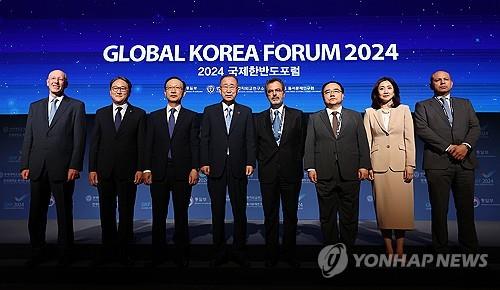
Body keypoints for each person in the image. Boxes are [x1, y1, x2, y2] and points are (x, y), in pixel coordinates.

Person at [20, 69, 86, 266]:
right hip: (37, 166)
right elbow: (28, 138)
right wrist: (25, 164)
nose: (56, 82)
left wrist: (75, 165)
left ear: (66, 83)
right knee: (36, 212)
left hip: (63, 168)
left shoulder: (76, 106)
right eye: (53, 79)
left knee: (64, 213)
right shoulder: (35, 106)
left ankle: (65, 252)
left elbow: (79, 140)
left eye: (61, 79)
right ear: (46, 82)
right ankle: (37, 250)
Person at [414, 70, 480, 253]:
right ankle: (440, 247)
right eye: (437, 80)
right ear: (431, 85)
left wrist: (465, 146)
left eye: (446, 79)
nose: (442, 82)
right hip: (437, 164)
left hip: (465, 163)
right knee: (439, 209)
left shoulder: (465, 103)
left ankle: (469, 247)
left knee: (466, 209)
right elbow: (422, 129)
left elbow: (475, 127)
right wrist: (450, 147)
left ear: (452, 83)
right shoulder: (422, 106)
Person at [304, 81, 371, 250]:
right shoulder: (314, 117)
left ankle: (348, 247)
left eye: (336, 91)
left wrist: (364, 165)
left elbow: (362, 142)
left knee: (349, 214)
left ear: (343, 95)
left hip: (350, 171)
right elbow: (309, 143)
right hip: (324, 172)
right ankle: (331, 247)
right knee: (327, 214)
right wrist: (310, 167)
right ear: (323, 97)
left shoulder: (355, 116)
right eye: (327, 92)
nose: (332, 94)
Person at [88, 76, 146, 265]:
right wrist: (92, 169)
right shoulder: (101, 113)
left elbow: (141, 144)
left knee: (126, 211)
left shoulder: (139, 114)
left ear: (129, 91)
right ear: (109, 91)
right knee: (106, 211)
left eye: (123, 88)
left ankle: (125, 249)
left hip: (129, 172)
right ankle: (108, 249)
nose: (119, 91)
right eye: (115, 88)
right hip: (104, 170)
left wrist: (140, 168)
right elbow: (94, 144)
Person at [143, 76, 200, 267]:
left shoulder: (191, 116)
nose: (174, 90)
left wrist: (194, 167)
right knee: (158, 214)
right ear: (164, 92)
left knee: (181, 214)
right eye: (170, 87)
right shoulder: (153, 117)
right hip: (159, 171)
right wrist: (147, 168)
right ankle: (157, 253)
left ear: (184, 92)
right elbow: (147, 145)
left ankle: (181, 253)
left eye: (178, 88)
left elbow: (194, 144)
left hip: (182, 172)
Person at [200, 74, 256, 267]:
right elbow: (204, 139)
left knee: (239, 210)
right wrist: (204, 161)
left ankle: (240, 250)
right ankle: (219, 250)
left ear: (238, 89)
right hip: (215, 167)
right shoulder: (209, 111)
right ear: (219, 89)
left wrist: (250, 161)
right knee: (217, 211)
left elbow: (250, 139)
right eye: (225, 86)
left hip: (239, 167)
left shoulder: (246, 111)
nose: (229, 89)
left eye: (232, 86)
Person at [254, 78, 305, 268]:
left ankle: (289, 254)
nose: (274, 94)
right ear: (266, 94)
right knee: (270, 215)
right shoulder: (257, 118)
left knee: (291, 215)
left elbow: (302, 144)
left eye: (277, 90)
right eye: (270, 91)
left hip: (291, 172)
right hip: (267, 174)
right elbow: (255, 146)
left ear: (284, 93)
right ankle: (271, 255)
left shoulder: (298, 115)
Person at [363, 77, 415, 257]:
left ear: (394, 91)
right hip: (378, 165)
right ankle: (388, 247)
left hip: (400, 164)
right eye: (381, 88)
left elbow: (410, 139)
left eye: (389, 87)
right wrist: (367, 165)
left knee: (401, 208)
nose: (385, 91)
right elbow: (367, 141)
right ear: (376, 93)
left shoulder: (404, 110)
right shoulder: (369, 112)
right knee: (383, 208)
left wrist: (410, 164)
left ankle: (400, 248)